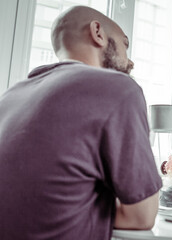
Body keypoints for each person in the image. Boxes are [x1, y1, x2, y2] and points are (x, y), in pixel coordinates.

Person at [0, 6, 162, 240]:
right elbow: (142, 216)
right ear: (97, 32)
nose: (130, 61)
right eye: (125, 44)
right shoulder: (119, 88)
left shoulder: (10, 96)